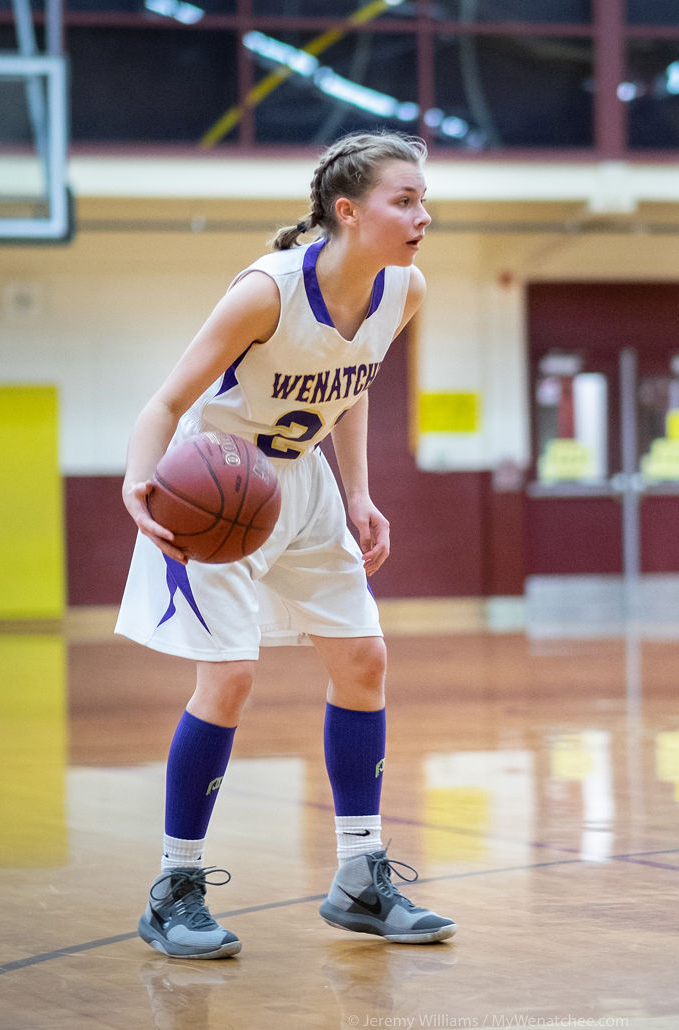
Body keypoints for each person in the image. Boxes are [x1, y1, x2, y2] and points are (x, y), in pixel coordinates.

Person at [115, 129, 455, 959]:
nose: (423, 215)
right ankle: (175, 888)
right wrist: (137, 479)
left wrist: (360, 492)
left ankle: (357, 877)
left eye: (423, 200)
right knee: (228, 679)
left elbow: (354, 386)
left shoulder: (403, 290)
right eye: (403, 200)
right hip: (214, 480)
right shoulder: (267, 292)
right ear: (348, 210)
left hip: (303, 487)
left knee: (365, 661)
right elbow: (166, 402)